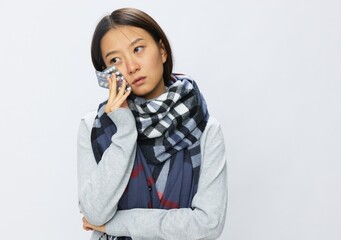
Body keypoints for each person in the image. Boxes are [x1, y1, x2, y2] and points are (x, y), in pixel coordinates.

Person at [77, 7, 228, 240]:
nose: (131, 66)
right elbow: (95, 213)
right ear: (107, 75)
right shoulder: (94, 128)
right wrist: (125, 131)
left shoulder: (205, 129)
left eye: (138, 49)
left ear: (162, 50)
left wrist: (116, 224)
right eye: (115, 59)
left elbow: (207, 225)